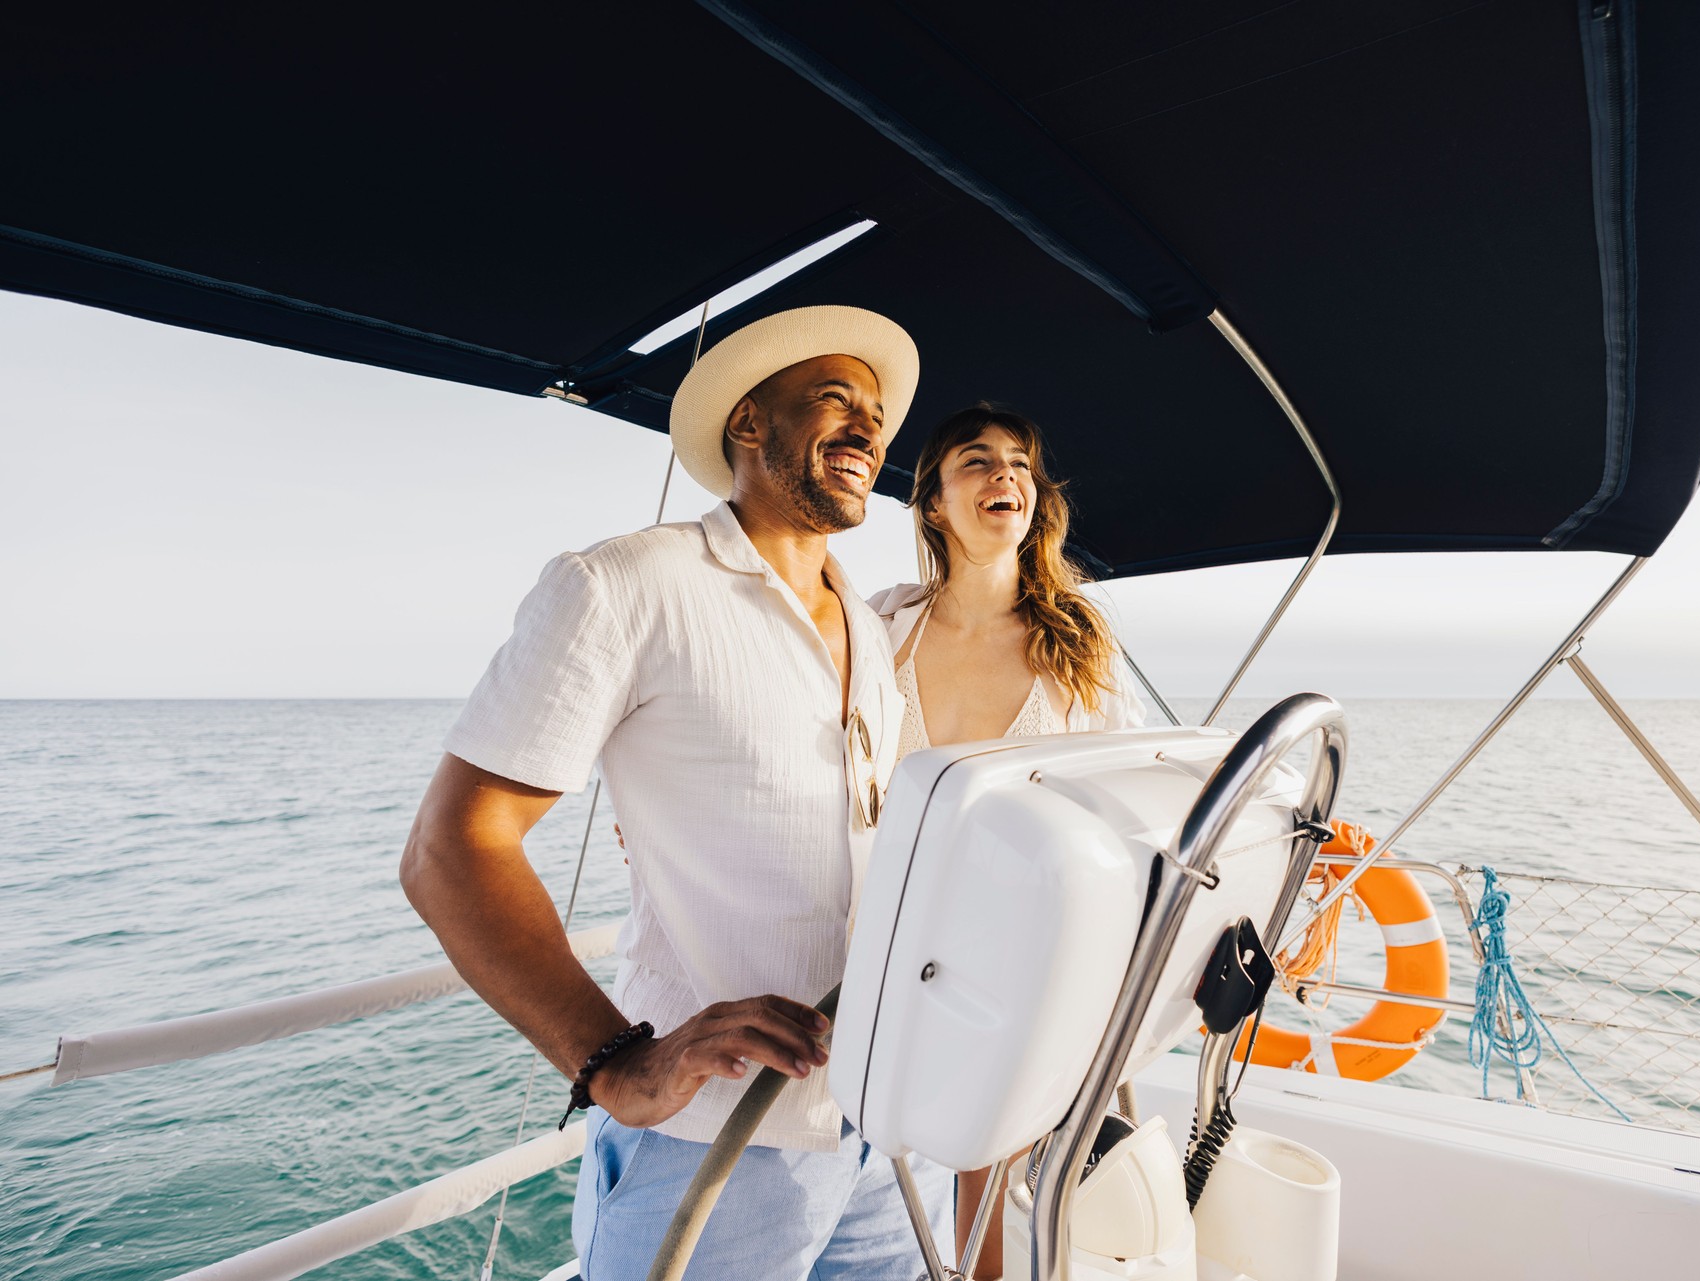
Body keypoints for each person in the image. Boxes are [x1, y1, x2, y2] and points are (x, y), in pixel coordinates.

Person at [400, 305, 952, 1281]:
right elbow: (455, 849)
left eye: (877, 414)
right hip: (708, 1144)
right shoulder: (625, 584)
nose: (870, 429)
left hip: (876, 1129)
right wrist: (613, 1060)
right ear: (748, 423)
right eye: (836, 400)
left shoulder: (868, 629)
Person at [869, 402, 1144, 1275]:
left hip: (1022, 951)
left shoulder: (1078, 643)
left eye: (1022, 464)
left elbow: (1129, 799)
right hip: (883, 944)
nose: (1008, 477)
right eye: (978, 461)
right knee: (881, 1183)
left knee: (991, 1185)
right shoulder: (879, 628)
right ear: (933, 505)